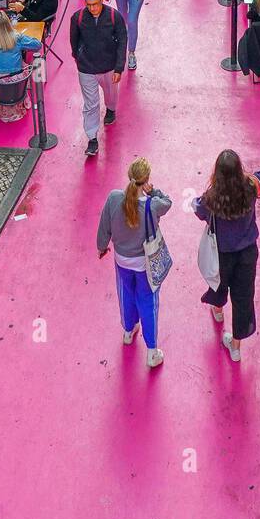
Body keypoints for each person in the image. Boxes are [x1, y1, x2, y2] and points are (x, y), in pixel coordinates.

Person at [194, 151, 260, 361]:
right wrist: (252, 177)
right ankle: (235, 347)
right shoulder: (251, 187)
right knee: (243, 296)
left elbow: (199, 210)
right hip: (247, 253)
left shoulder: (211, 198)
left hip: (222, 252)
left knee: (218, 282)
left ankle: (217, 309)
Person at [96, 158, 171, 369]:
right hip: (144, 263)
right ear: (146, 181)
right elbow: (168, 202)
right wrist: (153, 191)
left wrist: (102, 247)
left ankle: (128, 331)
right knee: (148, 302)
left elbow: (104, 227)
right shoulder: (152, 205)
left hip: (122, 259)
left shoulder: (113, 198)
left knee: (126, 294)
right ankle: (151, 351)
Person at [70, 0, 128, 157]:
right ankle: (92, 138)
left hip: (109, 67)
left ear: (102, 0)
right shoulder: (77, 18)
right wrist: (79, 57)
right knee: (91, 105)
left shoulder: (114, 16)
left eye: (95, 4)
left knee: (111, 94)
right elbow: (74, 41)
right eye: (89, 5)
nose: (92, 8)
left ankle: (111, 109)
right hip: (86, 68)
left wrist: (119, 67)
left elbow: (122, 42)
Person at [0, 13, 41, 121]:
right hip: (16, 83)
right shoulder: (17, 38)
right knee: (25, 65)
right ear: (8, 23)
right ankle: (22, 100)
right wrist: (18, 35)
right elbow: (37, 45)